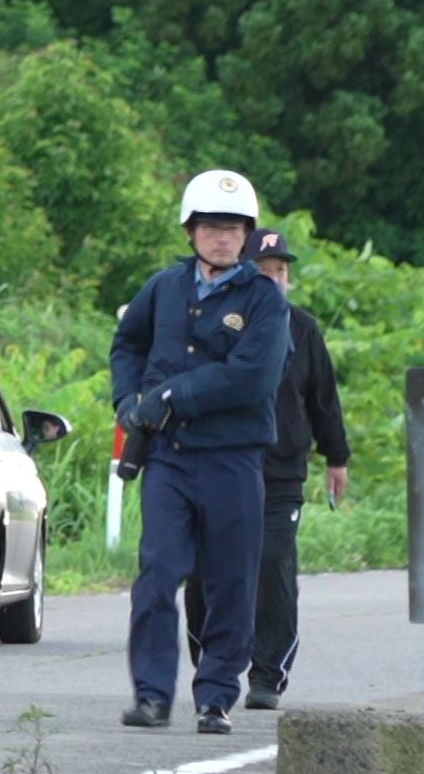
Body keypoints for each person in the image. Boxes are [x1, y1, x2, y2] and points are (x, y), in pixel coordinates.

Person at [110, 170, 289, 735]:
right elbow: (128, 343)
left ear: (246, 235)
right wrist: (128, 399)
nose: (223, 237)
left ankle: (215, 696)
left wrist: (170, 395)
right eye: (212, 226)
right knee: (158, 574)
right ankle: (152, 695)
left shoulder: (263, 299)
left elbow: (253, 377)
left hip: (233, 458)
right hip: (169, 458)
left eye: (234, 228)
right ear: (191, 230)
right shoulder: (164, 287)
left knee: (231, 581)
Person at [183, 228, 350, 709]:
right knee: (205, 572)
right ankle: (213, 664)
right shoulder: (215, 324)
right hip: (218, 466)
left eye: (281, 272)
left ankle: (267, 673)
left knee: (272, 564)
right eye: (264, 271)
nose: (274, 280)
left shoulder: (302, 328)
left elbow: (322, 398)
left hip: (280, 473)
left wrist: (336, 456)